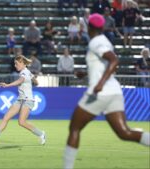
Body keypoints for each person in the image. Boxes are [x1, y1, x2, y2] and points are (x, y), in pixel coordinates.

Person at [63, 14, 150, 169]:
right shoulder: (105, 41)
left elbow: (114, 60)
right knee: (125, 133)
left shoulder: (95, 42)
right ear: (102, 28)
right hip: (114, 92)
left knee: (74, 128)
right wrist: (87, 73)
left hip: (100, 93)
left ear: (88, 27)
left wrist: (100, 84)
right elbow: (104, 66)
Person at [0, 55, 46, 144]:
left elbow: (20, 81)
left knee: (21, 122)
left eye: (16, 63)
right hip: (20, 99)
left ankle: (41, 134)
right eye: (15, 63)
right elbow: (36, 82)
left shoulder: (24, 73)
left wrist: (7, 85)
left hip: (27, 100)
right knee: (6, 117)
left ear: (23, 63)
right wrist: (33, 81)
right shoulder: (28, 72)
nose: (15, 65)